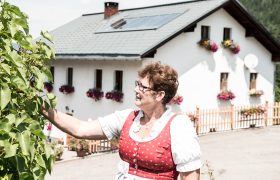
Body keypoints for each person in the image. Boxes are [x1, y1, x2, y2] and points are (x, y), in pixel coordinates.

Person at [39, 62, 202, 180]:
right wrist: (41, 107)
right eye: (138, 84)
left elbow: (190, 175)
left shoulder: (178, 126)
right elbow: (80, 128)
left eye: (143, 87)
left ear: (159, 95)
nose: (136, 89)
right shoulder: (127, 118)